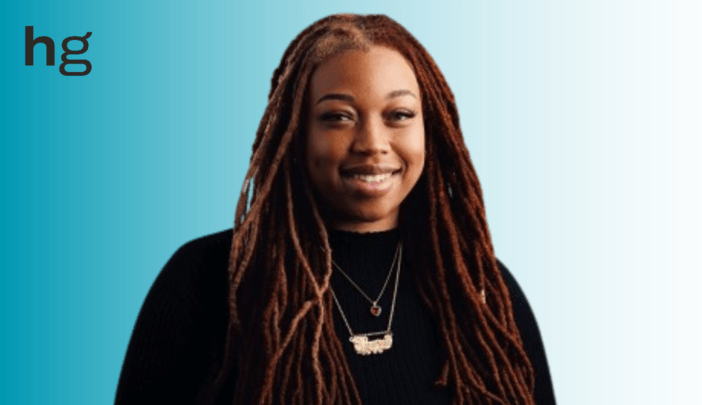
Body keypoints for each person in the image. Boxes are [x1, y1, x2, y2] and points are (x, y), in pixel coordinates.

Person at [115, 13, 556, 405]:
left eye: (399, 115)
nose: (372, 143)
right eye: (338, 117)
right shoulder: (207, 279)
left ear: (432, 128)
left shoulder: (480, 291)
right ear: (294, 133)